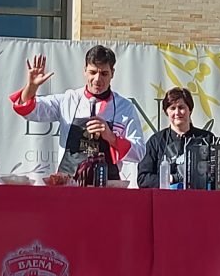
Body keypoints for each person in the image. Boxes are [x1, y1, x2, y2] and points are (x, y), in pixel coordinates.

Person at [9, 45, 146, 180]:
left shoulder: (125, 107)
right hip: (68, 184)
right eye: (93, 72)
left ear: (112, 74)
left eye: (104, 73)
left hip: (107, 185)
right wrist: (31, 88)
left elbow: (139, 153)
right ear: (85, 71)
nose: (98, 79)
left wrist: (112, 138)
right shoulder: (68, 99)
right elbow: (29, 110)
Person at [137, 87, 215, 188]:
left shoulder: (207, 138)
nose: (177, 113)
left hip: (198, 200)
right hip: (165, 201)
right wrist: (170, 179)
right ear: (166, 112)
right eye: (172, 108)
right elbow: (143, 178)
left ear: (190, 110)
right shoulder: (156, 141)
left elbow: (216, 174)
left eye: (181, 107)